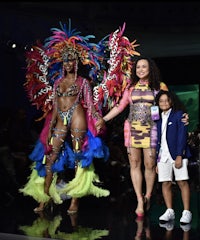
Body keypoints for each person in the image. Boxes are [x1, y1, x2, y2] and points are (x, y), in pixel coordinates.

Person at [19, 20, 110, 214]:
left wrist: (98, 119)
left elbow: (91, 106)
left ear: (76, 62)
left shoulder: (83, 82)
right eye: (66, 60)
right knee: (50, 158)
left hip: (77, 116)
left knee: (79, 157)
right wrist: (50, 126)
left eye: (71, 59)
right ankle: (44, 200)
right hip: (59, 118)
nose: (68, 63)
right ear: (62, 62)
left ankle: (75, 202)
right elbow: (54, 107)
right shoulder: (57, 82)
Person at [95, 56, 189, 218]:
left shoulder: (160, 86)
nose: (140, 70)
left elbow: (171, 104)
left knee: (149, 164)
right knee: (135, 164)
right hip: (131, 129)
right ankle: (139, 199)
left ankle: (148, 196)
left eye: (144, 67)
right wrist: (104, 119)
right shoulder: (130, 87)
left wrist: (183, 116)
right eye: (138, 67)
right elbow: (119, 107)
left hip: (152, 129)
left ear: (150, 69)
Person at [155, 90, 192, 225]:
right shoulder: (157, 118)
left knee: (182, 182)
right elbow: (157, 140)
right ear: (157, 103)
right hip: (162, 156)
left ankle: (187, 212)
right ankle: (169, 211)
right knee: (165, 183)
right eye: (161, 101)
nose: (164, 103)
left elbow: (182, 136)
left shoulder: (179, 115)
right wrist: (156, 161)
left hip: (177, 155)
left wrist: (179, 155)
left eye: (167, 100)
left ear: (171, 101)